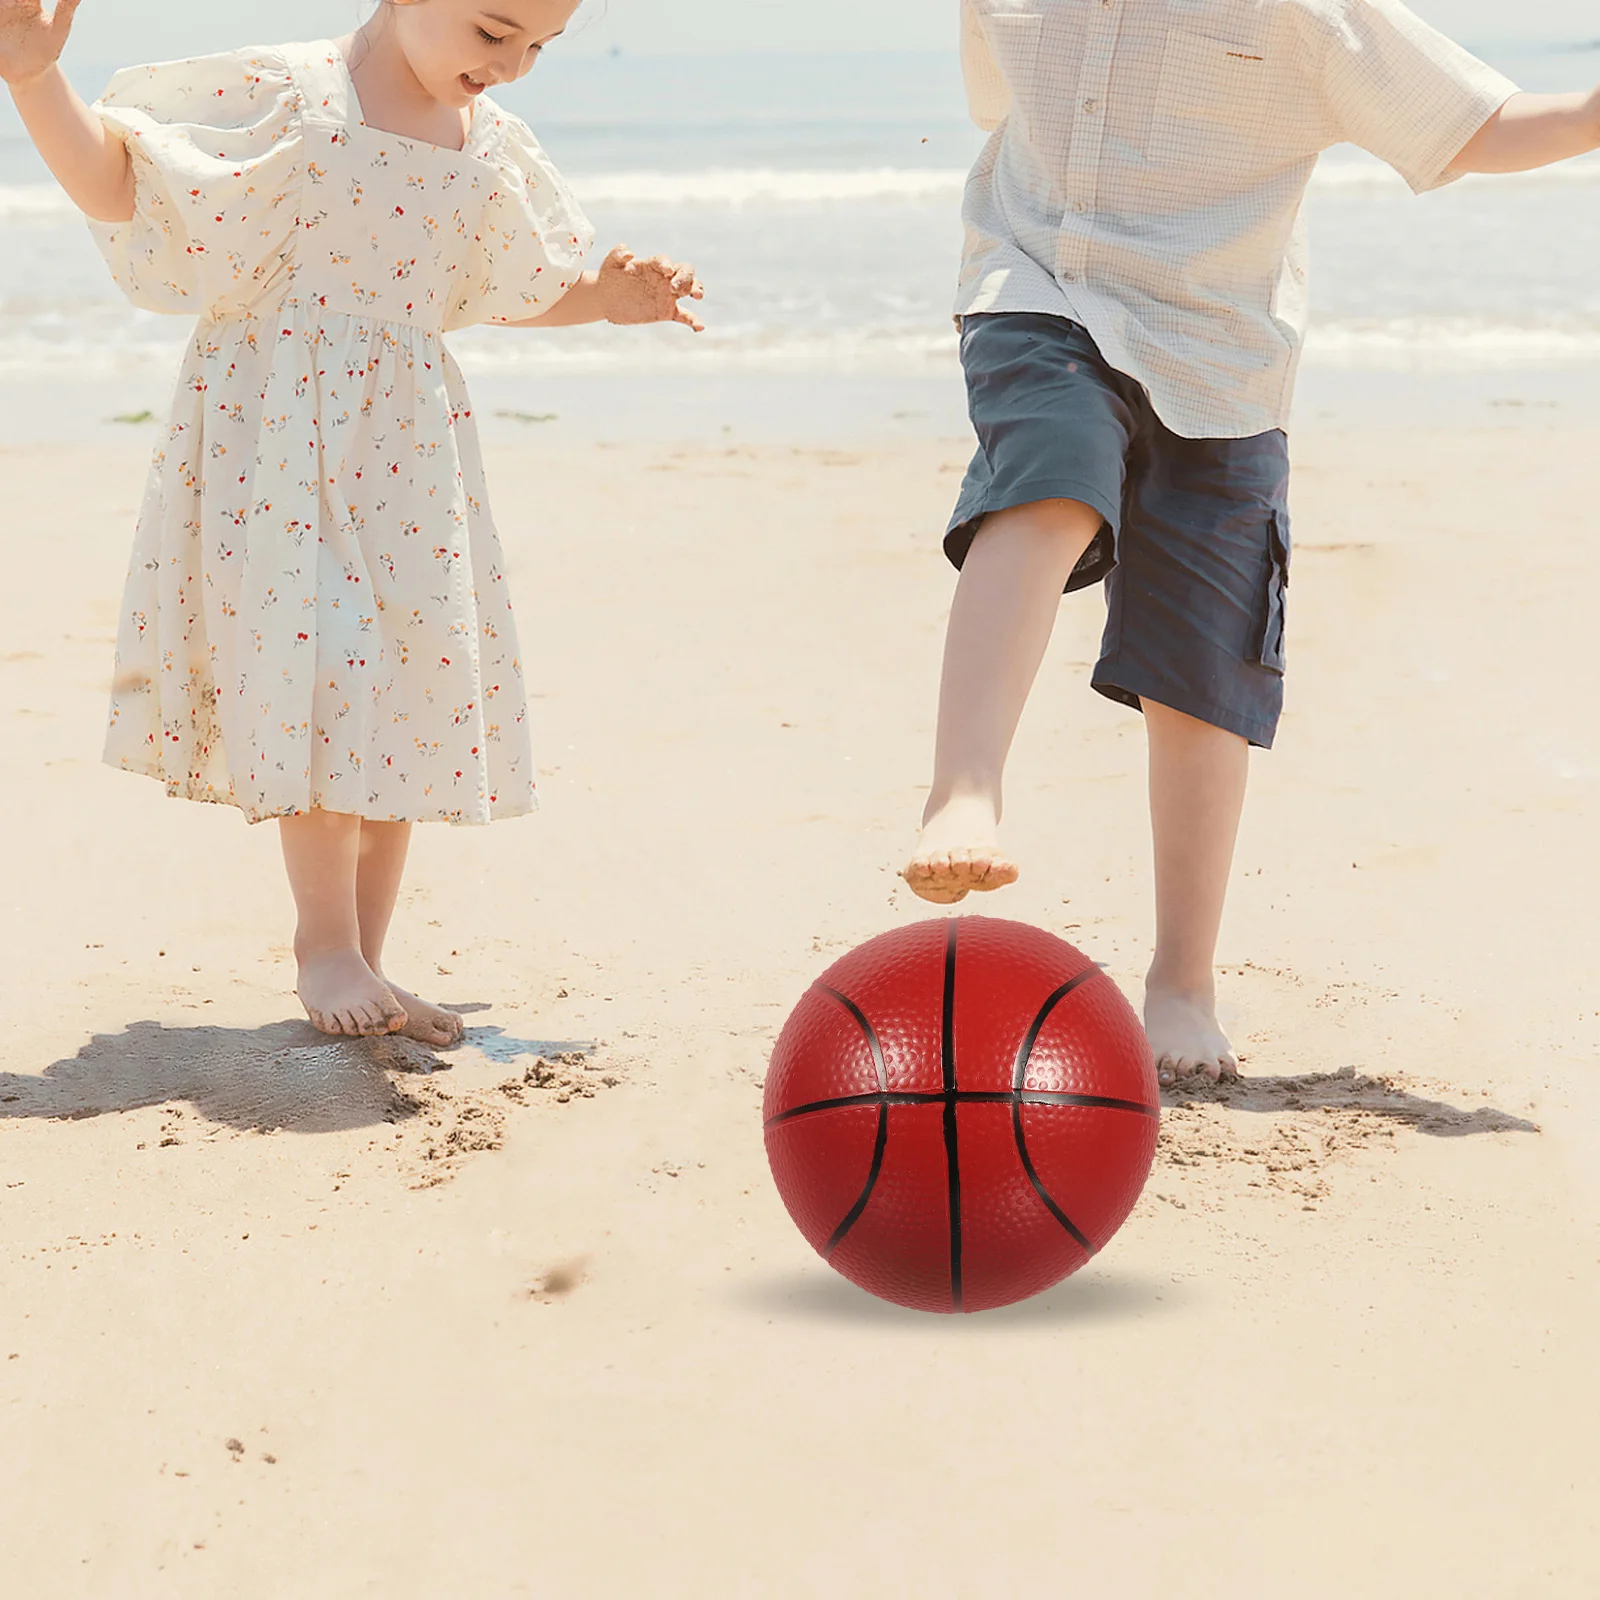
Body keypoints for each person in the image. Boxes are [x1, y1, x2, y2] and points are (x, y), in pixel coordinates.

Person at [901, 0, 1600, 1085]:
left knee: (1201, 672)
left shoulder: (1304, 12)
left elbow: (1472, 125)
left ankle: (1182, 979)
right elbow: (995, 99)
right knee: (1048, 477)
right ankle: (963, 786)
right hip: (1034, 287)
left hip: (1221, 357)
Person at [0, 0, 704, 1045]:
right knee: (321, 670)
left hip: (408, 460)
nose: (510, 66)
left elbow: (500, 284)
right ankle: (322, 944)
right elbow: (124, 188)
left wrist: (602, 297)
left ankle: (368, 954)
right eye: (493, 31)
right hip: (277, 441)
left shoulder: (489, 143)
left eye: (537, 49)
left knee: (396, 695)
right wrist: (31, 79)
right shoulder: (293, 99)